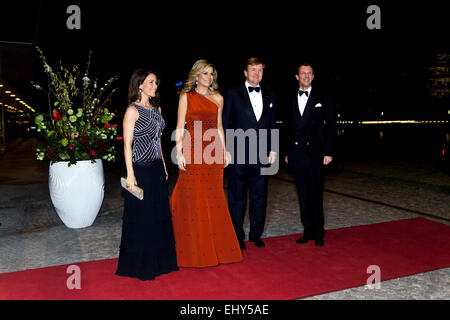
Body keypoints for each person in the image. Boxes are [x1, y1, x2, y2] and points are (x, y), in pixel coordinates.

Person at [170, 60, 243, 267]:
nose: (209, 77)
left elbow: (219, 127)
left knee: (213, 197)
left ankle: (215, 247)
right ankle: (192, 246)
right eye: (205, 74)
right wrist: (180, 153)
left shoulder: (218, 98)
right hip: (192, 149)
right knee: (192, 196)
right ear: (196, 76)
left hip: (213, 152)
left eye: (212, 74)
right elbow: (179, 126)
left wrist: (225, 151)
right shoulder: (186, 97)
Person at [115, 69, 178, 280]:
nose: (155, 86)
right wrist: (130, 174)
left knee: (159, 215)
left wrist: (165, 166)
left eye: (156, 82)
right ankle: (141, 265)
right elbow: (127, 145)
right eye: (151, 82)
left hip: (157, 168)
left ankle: (161, 262)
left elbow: (157, 140)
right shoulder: (133, 111)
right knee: (143, 217)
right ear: (140, 84)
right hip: (140, 168)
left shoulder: (157, 109)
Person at [222, 57, 277, 250]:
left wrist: (273, 149)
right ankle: (236, 236)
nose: (257, 73)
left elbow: (272, 124)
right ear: (245, 72)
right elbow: (223, 122)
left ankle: (256, 234)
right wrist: (224, 150)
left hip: (262, 152)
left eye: (260, 70)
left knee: (259, 195)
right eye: (253, 70)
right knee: (237, 196)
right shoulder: (232, 93)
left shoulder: (270, 94)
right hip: (237, 152)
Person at [284, 63, 336, 247]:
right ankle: (307, 231)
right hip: (296, 153)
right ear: (297, 77)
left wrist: (328, 151)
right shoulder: (289, 98)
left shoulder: (324, 97)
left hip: (316, 153)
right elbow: (287, 128)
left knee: (316, 193)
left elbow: (330, 125)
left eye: (309, 73)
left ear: (313, 76)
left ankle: (319, 232)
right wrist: (287, 152)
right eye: (302, 73)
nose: (306, 76)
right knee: (303, 195)